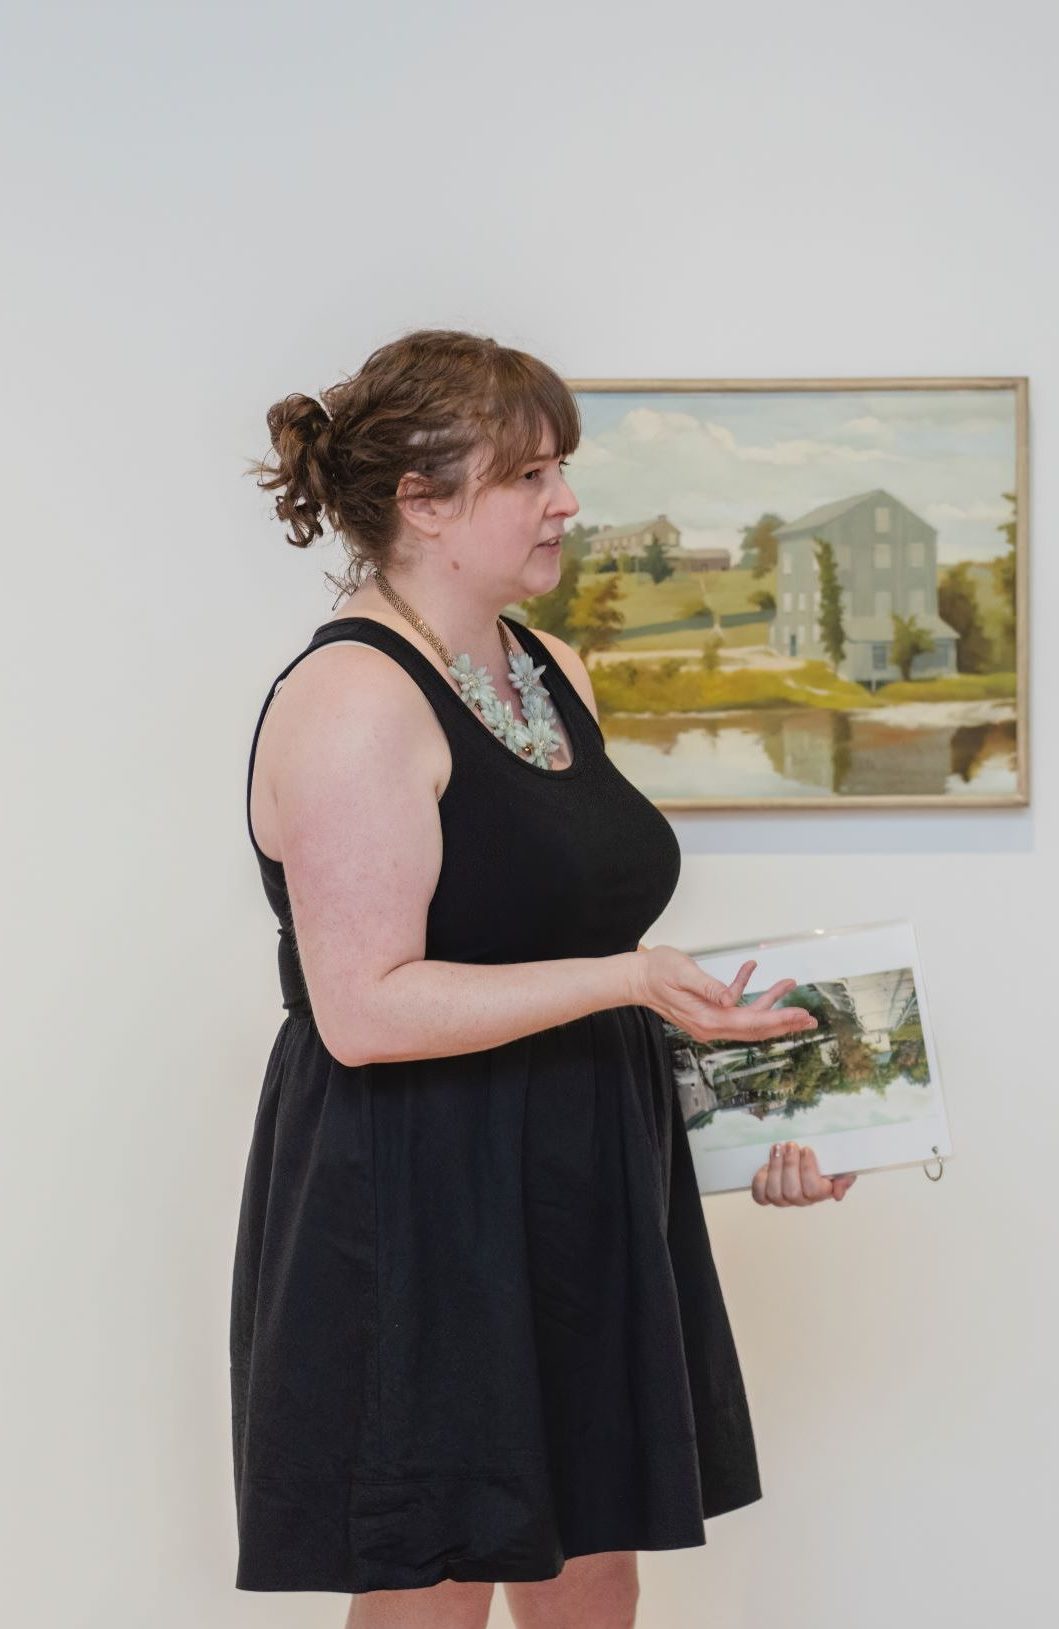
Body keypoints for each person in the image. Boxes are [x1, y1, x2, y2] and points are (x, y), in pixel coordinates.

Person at [231, 328, 858, 1628]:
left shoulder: (549, 670)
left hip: (579, 1179)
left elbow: (572, 953)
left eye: (560, 466)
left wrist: (781, 1111)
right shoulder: (354, 700)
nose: (567, 499)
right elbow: (364, 1008)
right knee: (442, 1582)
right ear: (422, 500)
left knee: (592, 1572)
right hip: (425, 1197)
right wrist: (630, 977)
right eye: (530, 473)